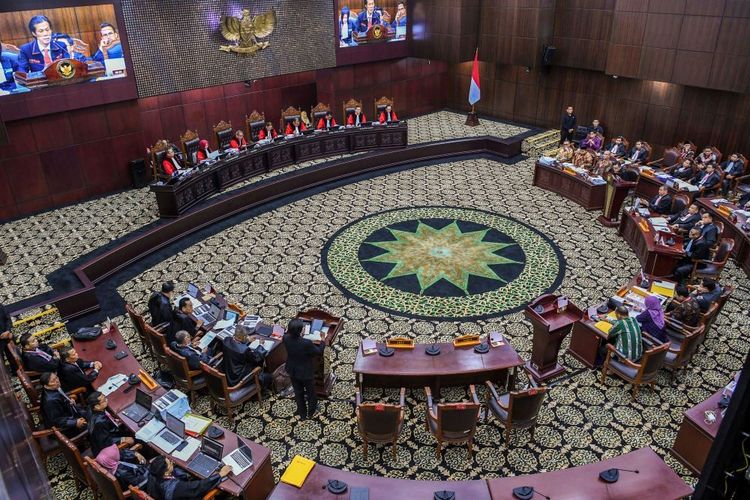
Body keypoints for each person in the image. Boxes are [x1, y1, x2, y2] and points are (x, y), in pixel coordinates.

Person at [283, 318, 324, 419]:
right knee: (311, 393)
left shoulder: (285, 338)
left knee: (298, 392)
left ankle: (302, 414)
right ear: (301, 330)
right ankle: (311, 412)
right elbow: (318, 351)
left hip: (292, 369)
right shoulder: (306, 343)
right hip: (305, 372)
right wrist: (322, 340)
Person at [18, 15, 85, 73]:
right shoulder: (26, 49)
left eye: (47, 30)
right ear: (34, 33)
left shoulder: (61, 45)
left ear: (51, 30)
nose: (45, 34)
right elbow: (22, 72)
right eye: (41, 31)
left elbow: (68, 66)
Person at [146, 456, 230, 500]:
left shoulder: (152, 475)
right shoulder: (178, 488)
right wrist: (220, 474)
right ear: (166, 473)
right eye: (170, 463)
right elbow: (199, 486)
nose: (172, 462)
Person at [39, 372, 87, 438]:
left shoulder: (52, 388)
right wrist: (75, 422)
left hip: (69, 411)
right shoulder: (51, 401)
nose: (57, 381)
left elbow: (61, 397)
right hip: (64, 427)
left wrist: (69, 399)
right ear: (46, 385)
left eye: (56, 377)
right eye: (53, 381)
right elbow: (57, 420)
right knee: (95, 424)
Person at [86, 390, 134, 456]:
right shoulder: (99, 423)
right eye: (104, 400)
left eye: (105, 397)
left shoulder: (91, 409)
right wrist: (122, 439)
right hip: (105, 451)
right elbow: (105, 442)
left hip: (108, 432)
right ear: (97, 406)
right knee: (135, 435)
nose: (107, 400)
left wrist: (114, 420)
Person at [0, 302, 16, 374]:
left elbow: (8, 319)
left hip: (7, 335)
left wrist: (8, 330)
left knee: (13, 356)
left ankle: (16, 371)